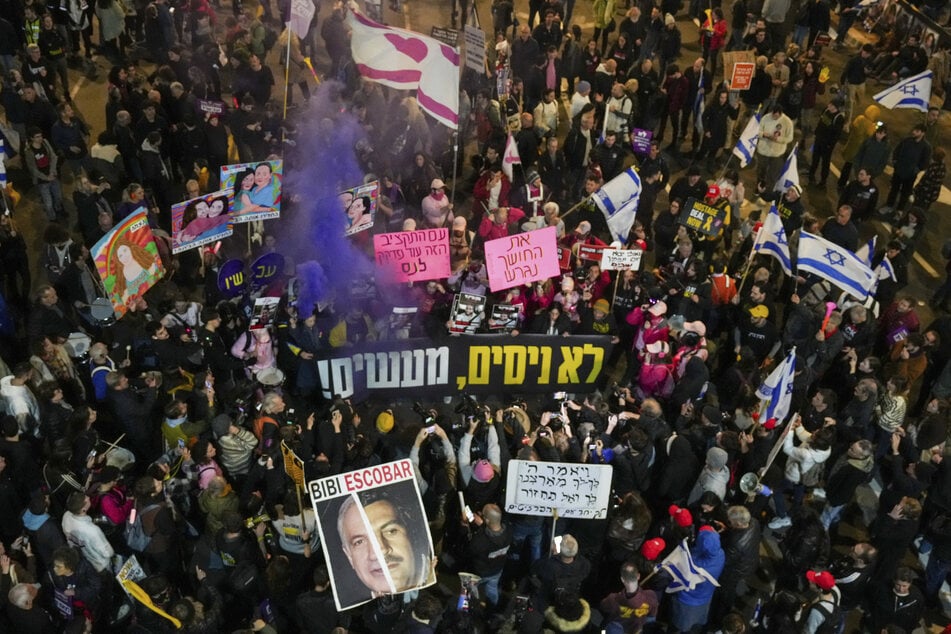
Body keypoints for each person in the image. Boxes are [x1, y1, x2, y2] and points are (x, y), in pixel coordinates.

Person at [334, 485, 434, 603]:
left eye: (391, 531)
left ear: (412, 535)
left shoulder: (436, 594)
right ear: (349, 557)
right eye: (359, 541)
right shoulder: (362, 613)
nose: (379, 551)